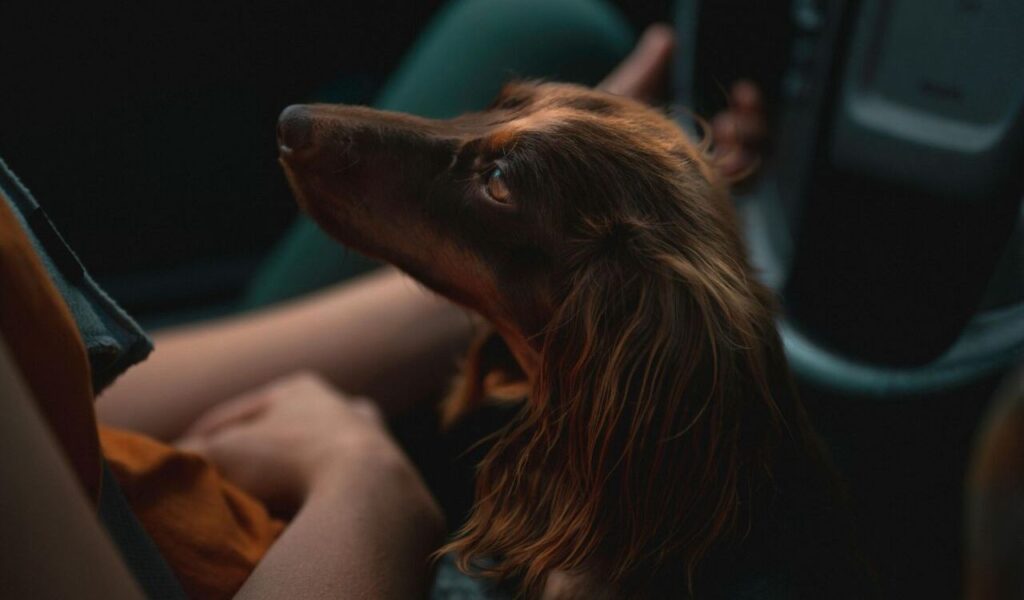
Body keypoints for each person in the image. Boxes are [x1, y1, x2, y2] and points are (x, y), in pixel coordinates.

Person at [0, 1, 766, 597]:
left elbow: (62, 396)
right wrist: (360, 477)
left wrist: (524, 271)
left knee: (541, 29)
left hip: (108, 437)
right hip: (292, 554)